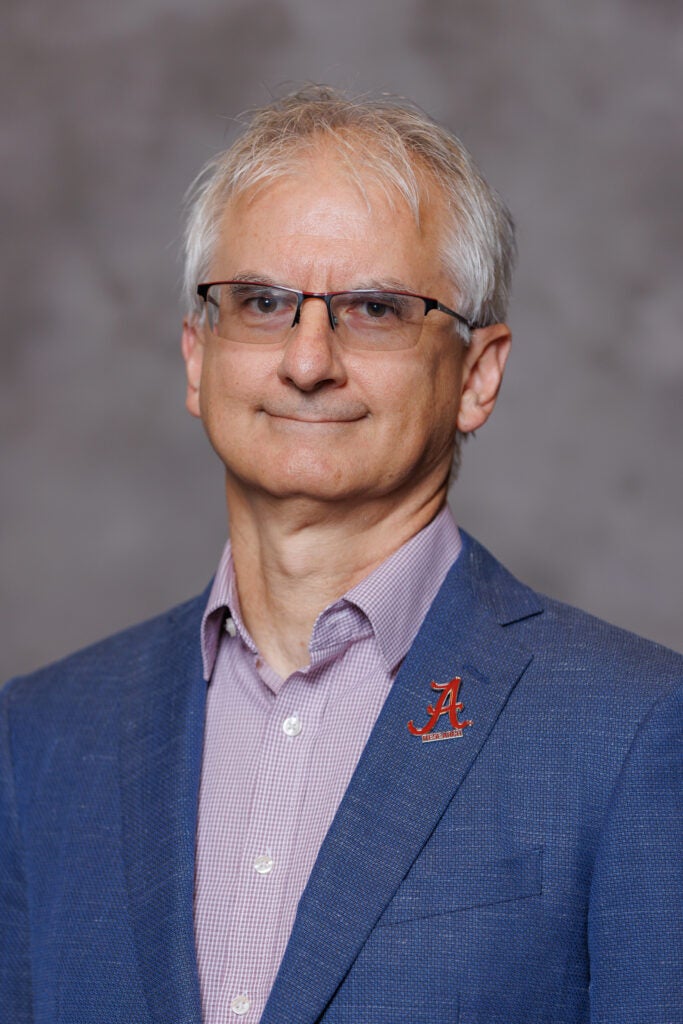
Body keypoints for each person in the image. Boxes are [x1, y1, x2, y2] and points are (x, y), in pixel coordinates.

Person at [1, 85, 681, 1024]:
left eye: (374, 308)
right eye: (263, 302)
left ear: (476, 377)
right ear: (197, 359)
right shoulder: (37, 742)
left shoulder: (634, 730)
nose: (308, 359)